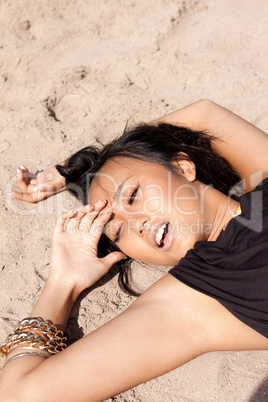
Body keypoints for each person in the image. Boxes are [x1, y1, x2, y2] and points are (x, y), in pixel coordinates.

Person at [0, 99, 267, 401]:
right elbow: (18, 393)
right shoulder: (203, 295)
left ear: (182, 166)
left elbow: (202, 114)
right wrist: (62, 284)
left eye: (133, 194)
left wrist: (73, 171)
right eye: (119, 231)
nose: (137, 224)